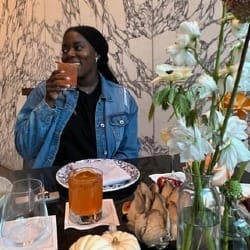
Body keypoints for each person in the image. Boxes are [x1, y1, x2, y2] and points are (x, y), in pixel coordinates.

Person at [15, 25, 140, 169]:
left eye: (78, 47)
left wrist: (107, 177)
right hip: (54, 185)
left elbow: (128, 152)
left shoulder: (122, 98)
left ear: (97, 54)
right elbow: (25, 148)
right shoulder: (45, 91)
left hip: (102, 184)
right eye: (65, 50)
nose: (69, 54)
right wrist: (49, 102)